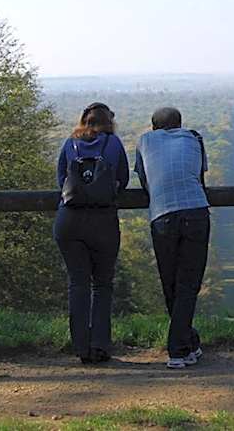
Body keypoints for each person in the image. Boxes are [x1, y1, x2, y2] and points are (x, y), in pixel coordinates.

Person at [135, 107, 210, 369]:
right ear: (180, 124)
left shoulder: (144, 141)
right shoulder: (194, 138)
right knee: (189, 283)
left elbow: (145, 179)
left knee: (171, 283)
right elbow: (200, 177)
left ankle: (183, 346)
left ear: (153, 126)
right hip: (195, 212)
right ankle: (182, 346)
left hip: (162, 215)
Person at [54, 102, 129, 364]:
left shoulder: (69, 144)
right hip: (103, 220)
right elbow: (124, 179)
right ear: (109, 121)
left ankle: (80, 347)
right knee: (103, 284)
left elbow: (60, 181)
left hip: (69, 220)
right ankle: (100, 345)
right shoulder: (114, 144)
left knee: (78, 284)